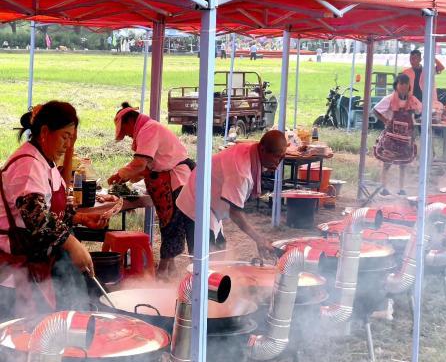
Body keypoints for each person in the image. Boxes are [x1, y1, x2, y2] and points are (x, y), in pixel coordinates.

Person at [0, 101, 108, 318]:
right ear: (45, 132)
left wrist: (79, 218)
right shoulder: (28, 164)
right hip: (14, 271)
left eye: (71, 138)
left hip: (36, 262)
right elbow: (36, 217)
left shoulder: (44, 162)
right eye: (65, 136)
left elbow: (52, 207)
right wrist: (72, 243)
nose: (68, 145)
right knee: (21, 337)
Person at [108, 102, 195, 279]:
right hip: (173, 180)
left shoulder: (149, 129)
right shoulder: (148, 129)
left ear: (129, 121)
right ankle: (170, 271)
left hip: (178, 180)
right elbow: (146, 167)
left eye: (125, 131)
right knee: (169, 226)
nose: (127, 135)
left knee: (172, 226)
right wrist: (128, 176)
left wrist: (120, 174)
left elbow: (141, 163)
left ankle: (164, 272)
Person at [176, 130, 287, 260]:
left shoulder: (252, 151)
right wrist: (258, 238)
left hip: (211, 202)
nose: (279, 163)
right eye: (277, 157)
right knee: (204, 260)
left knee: (219, 250)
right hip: (196, 203)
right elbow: (235, 213)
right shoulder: (241, 171)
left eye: (282, 158)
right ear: (262, 149)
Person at [372, 74, 423, 196]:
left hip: (405, 138)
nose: (404, 87)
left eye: (406, 84)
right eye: (401, 84)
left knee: (403, 163)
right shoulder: (389, 99)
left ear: (408, 86)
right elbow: (376, 110)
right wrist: (385, 120)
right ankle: (384, 187)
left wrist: (415, 116)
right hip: (391, 137)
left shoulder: (413, 100)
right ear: (396, 85)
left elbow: (420, 111)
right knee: (387, 162)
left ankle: (401, 188)